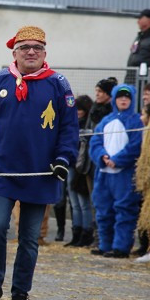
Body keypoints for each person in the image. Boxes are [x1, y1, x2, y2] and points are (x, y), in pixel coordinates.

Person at [0, 25, 79, 300]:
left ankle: (20, 294)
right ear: (15, 52)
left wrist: (64, 158)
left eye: (37, 47)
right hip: (1, 170)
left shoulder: (59, 85)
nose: (31, 52)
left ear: (45, 53)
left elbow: (69, 130)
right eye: (25, 47)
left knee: (29, 238)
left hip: (41, 174)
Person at [89, 84, 144, 258]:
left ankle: (121, 247)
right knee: (103, 210)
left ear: (132, 99)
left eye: (127, 97)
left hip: (124, 174)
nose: (123, 100)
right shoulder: (105, 121)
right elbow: (95, 143)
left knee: (124, 210)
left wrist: (118, 160)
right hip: (104, 173)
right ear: (114, 99)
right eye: (120, 97)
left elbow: (136, 146)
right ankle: (105, 245)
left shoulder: (136, 121)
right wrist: (102, 157)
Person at [65, 94, 95, 248]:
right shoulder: (71, 123)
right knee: (74, 203)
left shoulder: (88, 125)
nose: (77, 112)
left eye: (81, 109)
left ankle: (86, 232)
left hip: (82, 167)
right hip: (70, 165)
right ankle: (76, 233)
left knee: (84, 203)